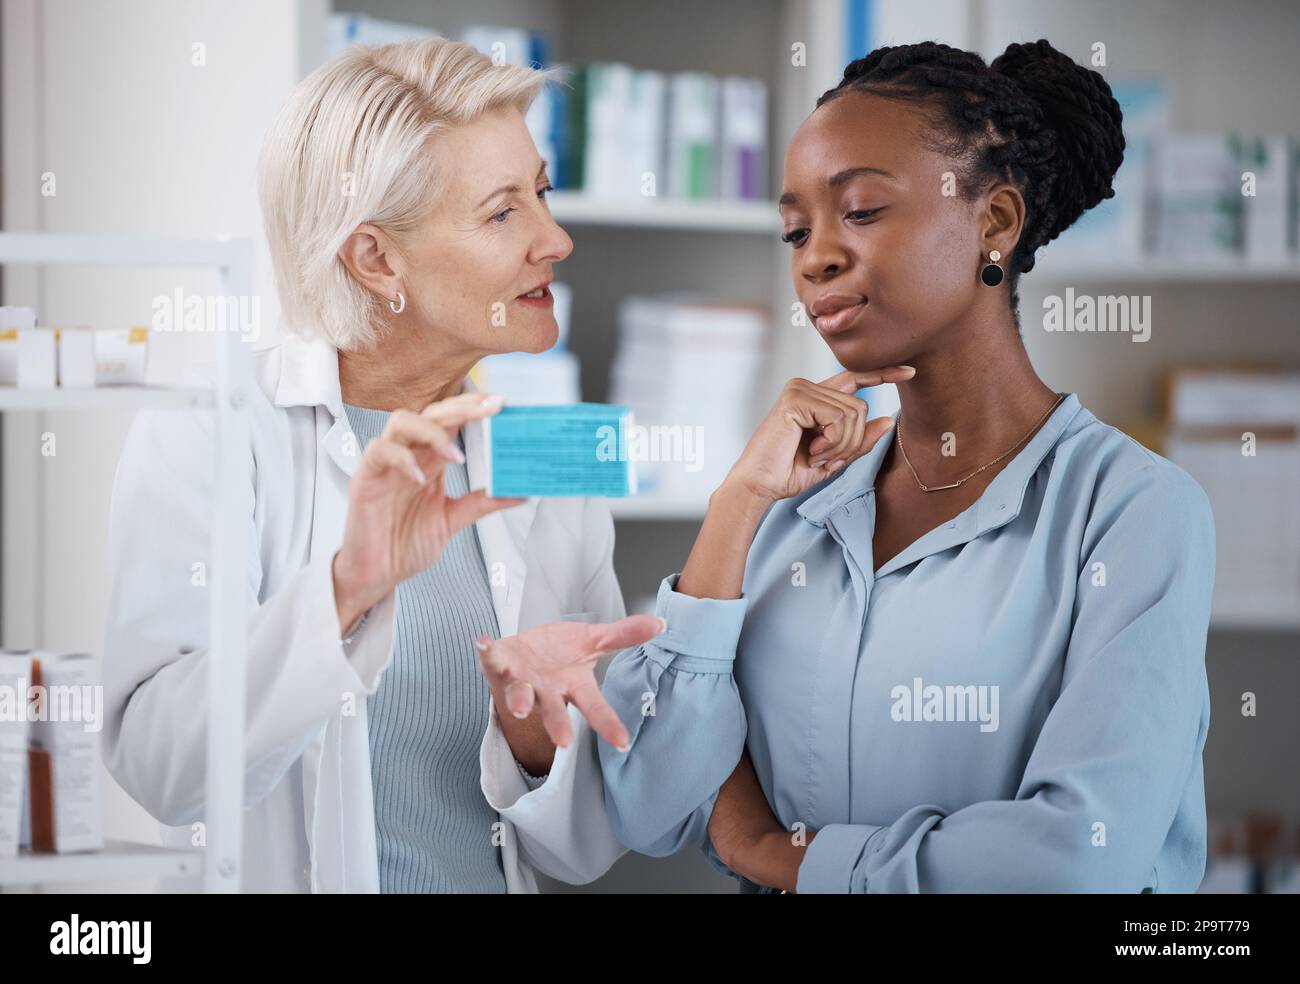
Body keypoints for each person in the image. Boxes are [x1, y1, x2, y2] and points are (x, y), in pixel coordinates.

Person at [598, 40, 1216, 893]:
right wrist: (736, 503)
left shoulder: (1132, 512)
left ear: (994, 221)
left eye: (860, 212)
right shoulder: (789, 511)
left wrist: (783, 858)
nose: (815, 257)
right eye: (796, 229)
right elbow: (644, 802)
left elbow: (1079, 855)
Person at [102, 37, 658, 893]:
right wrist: (345, 590)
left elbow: (587, 850)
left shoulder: (548, 450)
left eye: (542, 193)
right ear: (375, 260)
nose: (555, 238)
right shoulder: (212, 428)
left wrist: (532, 738)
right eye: (504, 212)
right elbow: (161, 774)